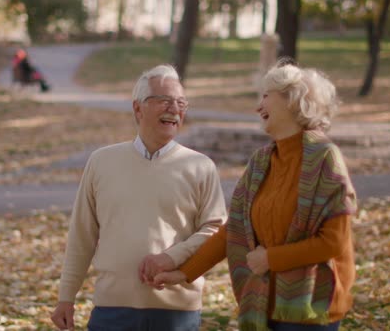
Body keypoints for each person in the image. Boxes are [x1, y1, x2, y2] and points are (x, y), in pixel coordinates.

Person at [151, 60, 358, 331]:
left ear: (292, 100)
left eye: (265, 96)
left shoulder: (324, 158)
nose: (258, 106)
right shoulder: (261, 162)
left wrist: (271, 258)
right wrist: (185, 272)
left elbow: (333, 243)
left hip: (312, 309)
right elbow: (233, 230)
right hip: (264, 307)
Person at [50, 64, 227, 331]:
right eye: (164, 101)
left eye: (181, 102)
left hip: (176, 313)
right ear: (137, 108)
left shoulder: (201, 166)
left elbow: (215, 231)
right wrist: (66, 297)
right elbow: (81, 234)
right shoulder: (101, 162)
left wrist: (172, 257)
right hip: (111, 311)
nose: (174, 109)